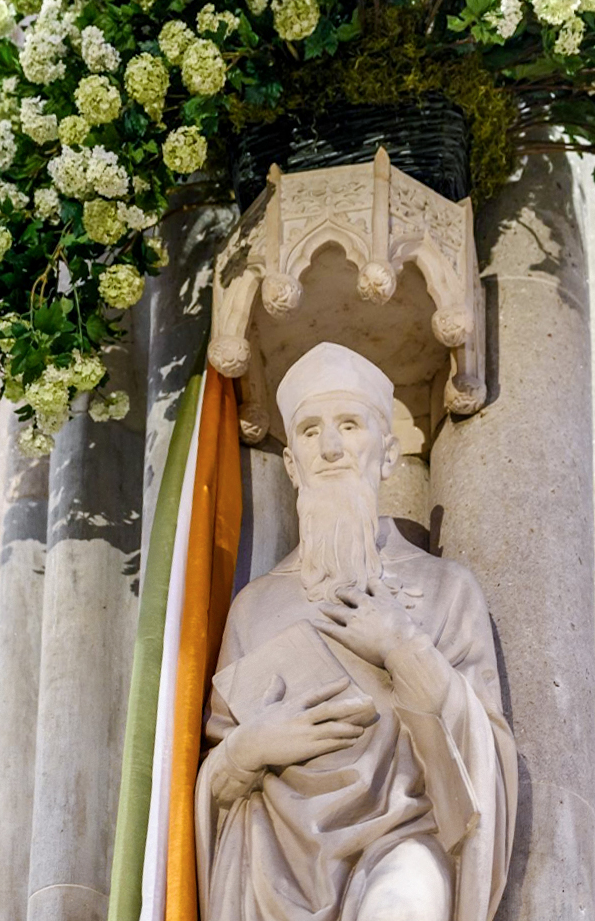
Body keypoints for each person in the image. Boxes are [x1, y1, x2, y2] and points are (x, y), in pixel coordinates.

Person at [196, 342, 516, 921]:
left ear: (389, 454)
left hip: (403, 836)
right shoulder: (255, 606)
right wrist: (250, 749)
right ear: (291, 463)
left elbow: (487, 758)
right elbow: (213, 785)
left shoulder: (447, 588)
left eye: (350, 424)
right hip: (274, 862)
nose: (333, 447)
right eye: (312, 431)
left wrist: (402, 649)